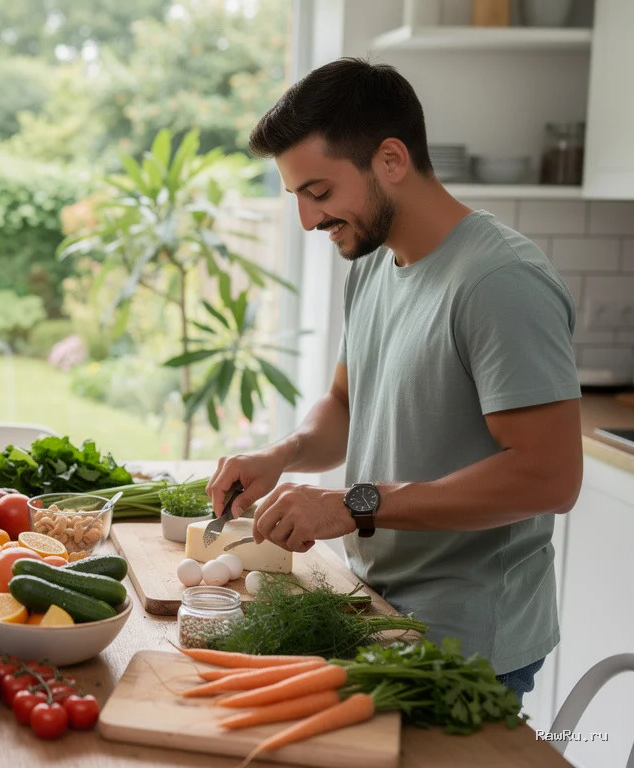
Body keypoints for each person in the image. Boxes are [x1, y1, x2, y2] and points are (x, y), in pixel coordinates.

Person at [208, 58, 582, 698]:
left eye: (319, 193)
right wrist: (283, 454)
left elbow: (549, 477)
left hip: (465, 648)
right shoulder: (372, 264)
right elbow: (346, 404)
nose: (306, 220)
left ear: (390, 160)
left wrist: (355, 506)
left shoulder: (498, 282)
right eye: (297, 196)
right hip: (379, 612)